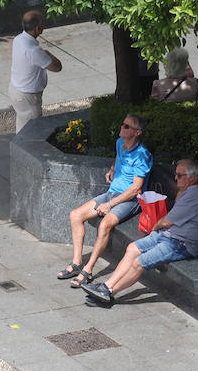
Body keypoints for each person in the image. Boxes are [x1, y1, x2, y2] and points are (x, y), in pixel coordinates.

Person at [82, 159, 198, 308]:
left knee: (139, 262)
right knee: (132, 248)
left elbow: (165, 222)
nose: (176, 178)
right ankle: (106, 286)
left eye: (180, 175)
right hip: (168, 235)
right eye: (175, 175)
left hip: (181, 243)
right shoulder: (188, 190)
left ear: (192, 177)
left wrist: (153, 228)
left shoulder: (195, 196)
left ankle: (109, 293)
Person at [57, 114, 152, 288]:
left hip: (130, 200)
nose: (122, 127)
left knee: (104, 225)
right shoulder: (120, 143)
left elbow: (135, 189)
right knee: (75, 215)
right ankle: (77, 263)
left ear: (137, 132)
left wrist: (109, 205)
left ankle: (88, 270)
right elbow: (118, 158)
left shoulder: (142, 155)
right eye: (123, 124)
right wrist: (112, 169)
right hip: (112, 192)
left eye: (127, 126)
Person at [10, 10, 62, 132]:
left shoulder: (18, 39)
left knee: (22, 126)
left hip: (16, 89)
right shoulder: (34, 51)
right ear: (38, 28)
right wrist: (47, 53)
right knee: (31, 131)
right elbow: (57, 67)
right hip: (28, 96)